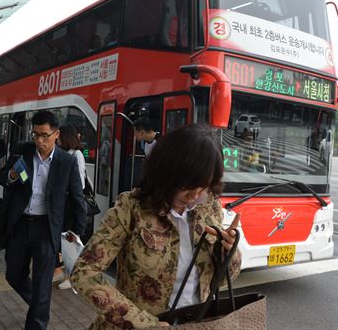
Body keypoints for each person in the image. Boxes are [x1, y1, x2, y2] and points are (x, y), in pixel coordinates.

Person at [70, 123, 242, 329]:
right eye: (188, 186)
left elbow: (219, 282)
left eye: (202, 187)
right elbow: (84, 272)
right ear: (168, 173)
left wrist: (229, 253)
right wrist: (143, 323)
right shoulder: (132, 209)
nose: (194, 197)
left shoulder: (209, 207)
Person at [0, 110, 86, 330]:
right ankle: (39, 305)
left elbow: (77, 198)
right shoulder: (22, 153)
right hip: (20, 224)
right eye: (35, 135)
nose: (39, 140)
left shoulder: (67, 161)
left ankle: (37, 321)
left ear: (56, 134)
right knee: (13, 274)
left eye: (44, 135)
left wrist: (76, 231)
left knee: (43, 283)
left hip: (46, 229)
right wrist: (11, 176)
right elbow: (2, 176)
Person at [54, 124, 89, 290]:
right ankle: (64, 271)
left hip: (71, 205)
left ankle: (72, 277)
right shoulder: (63, 153)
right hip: (63, 203)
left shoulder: (77, 155)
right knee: (64, 241)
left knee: (71, 242)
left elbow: (80, 184)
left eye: (59, 135)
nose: (57, 139)